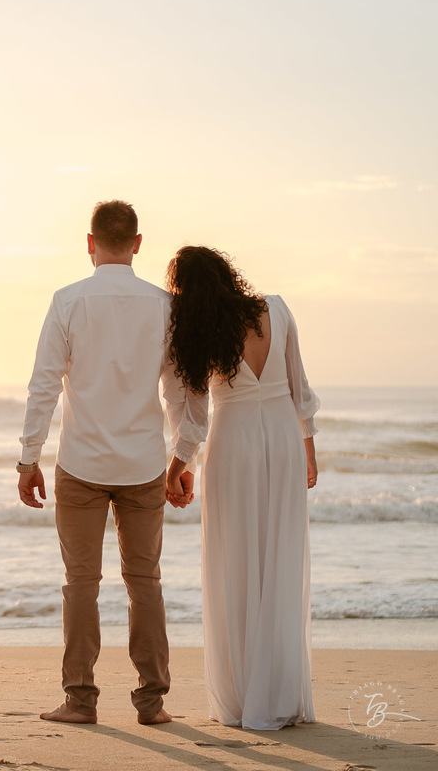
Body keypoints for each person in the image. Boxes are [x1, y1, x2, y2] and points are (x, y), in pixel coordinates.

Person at [17, 200, 193, 726]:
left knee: (80, 584)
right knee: (146, 583)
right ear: (137, 244)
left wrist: (28, 458)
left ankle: (80, 700)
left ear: (89, 243)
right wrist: (184, 457)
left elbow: (44, 384)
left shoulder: (68, 301)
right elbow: (180, 391)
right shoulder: (165, 306)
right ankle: (152, 703)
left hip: (82, 464)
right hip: (143, 464)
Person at [163, 246, 319, 731]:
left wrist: (177, 467)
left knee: (235, 562)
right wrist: (309, 452)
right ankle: (280, 693)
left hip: (233, 444)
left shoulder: (198, 331)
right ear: (228, 273)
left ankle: (242, 695)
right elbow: (300, 389)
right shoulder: (277, 307)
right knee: (280, 558)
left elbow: (194, 417)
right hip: (282, 440)